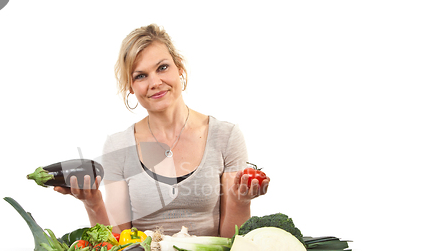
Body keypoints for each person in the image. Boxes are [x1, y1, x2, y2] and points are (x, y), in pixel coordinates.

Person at [54, 24, 270, 237]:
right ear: (131, 87)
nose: (155, 82)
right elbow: (116, 244)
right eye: (141, 76)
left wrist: (242, 202)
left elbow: (232, 243)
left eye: (162, 68)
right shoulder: (119, 145)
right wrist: (94, 204)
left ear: (180, 68)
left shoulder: (225, 137)